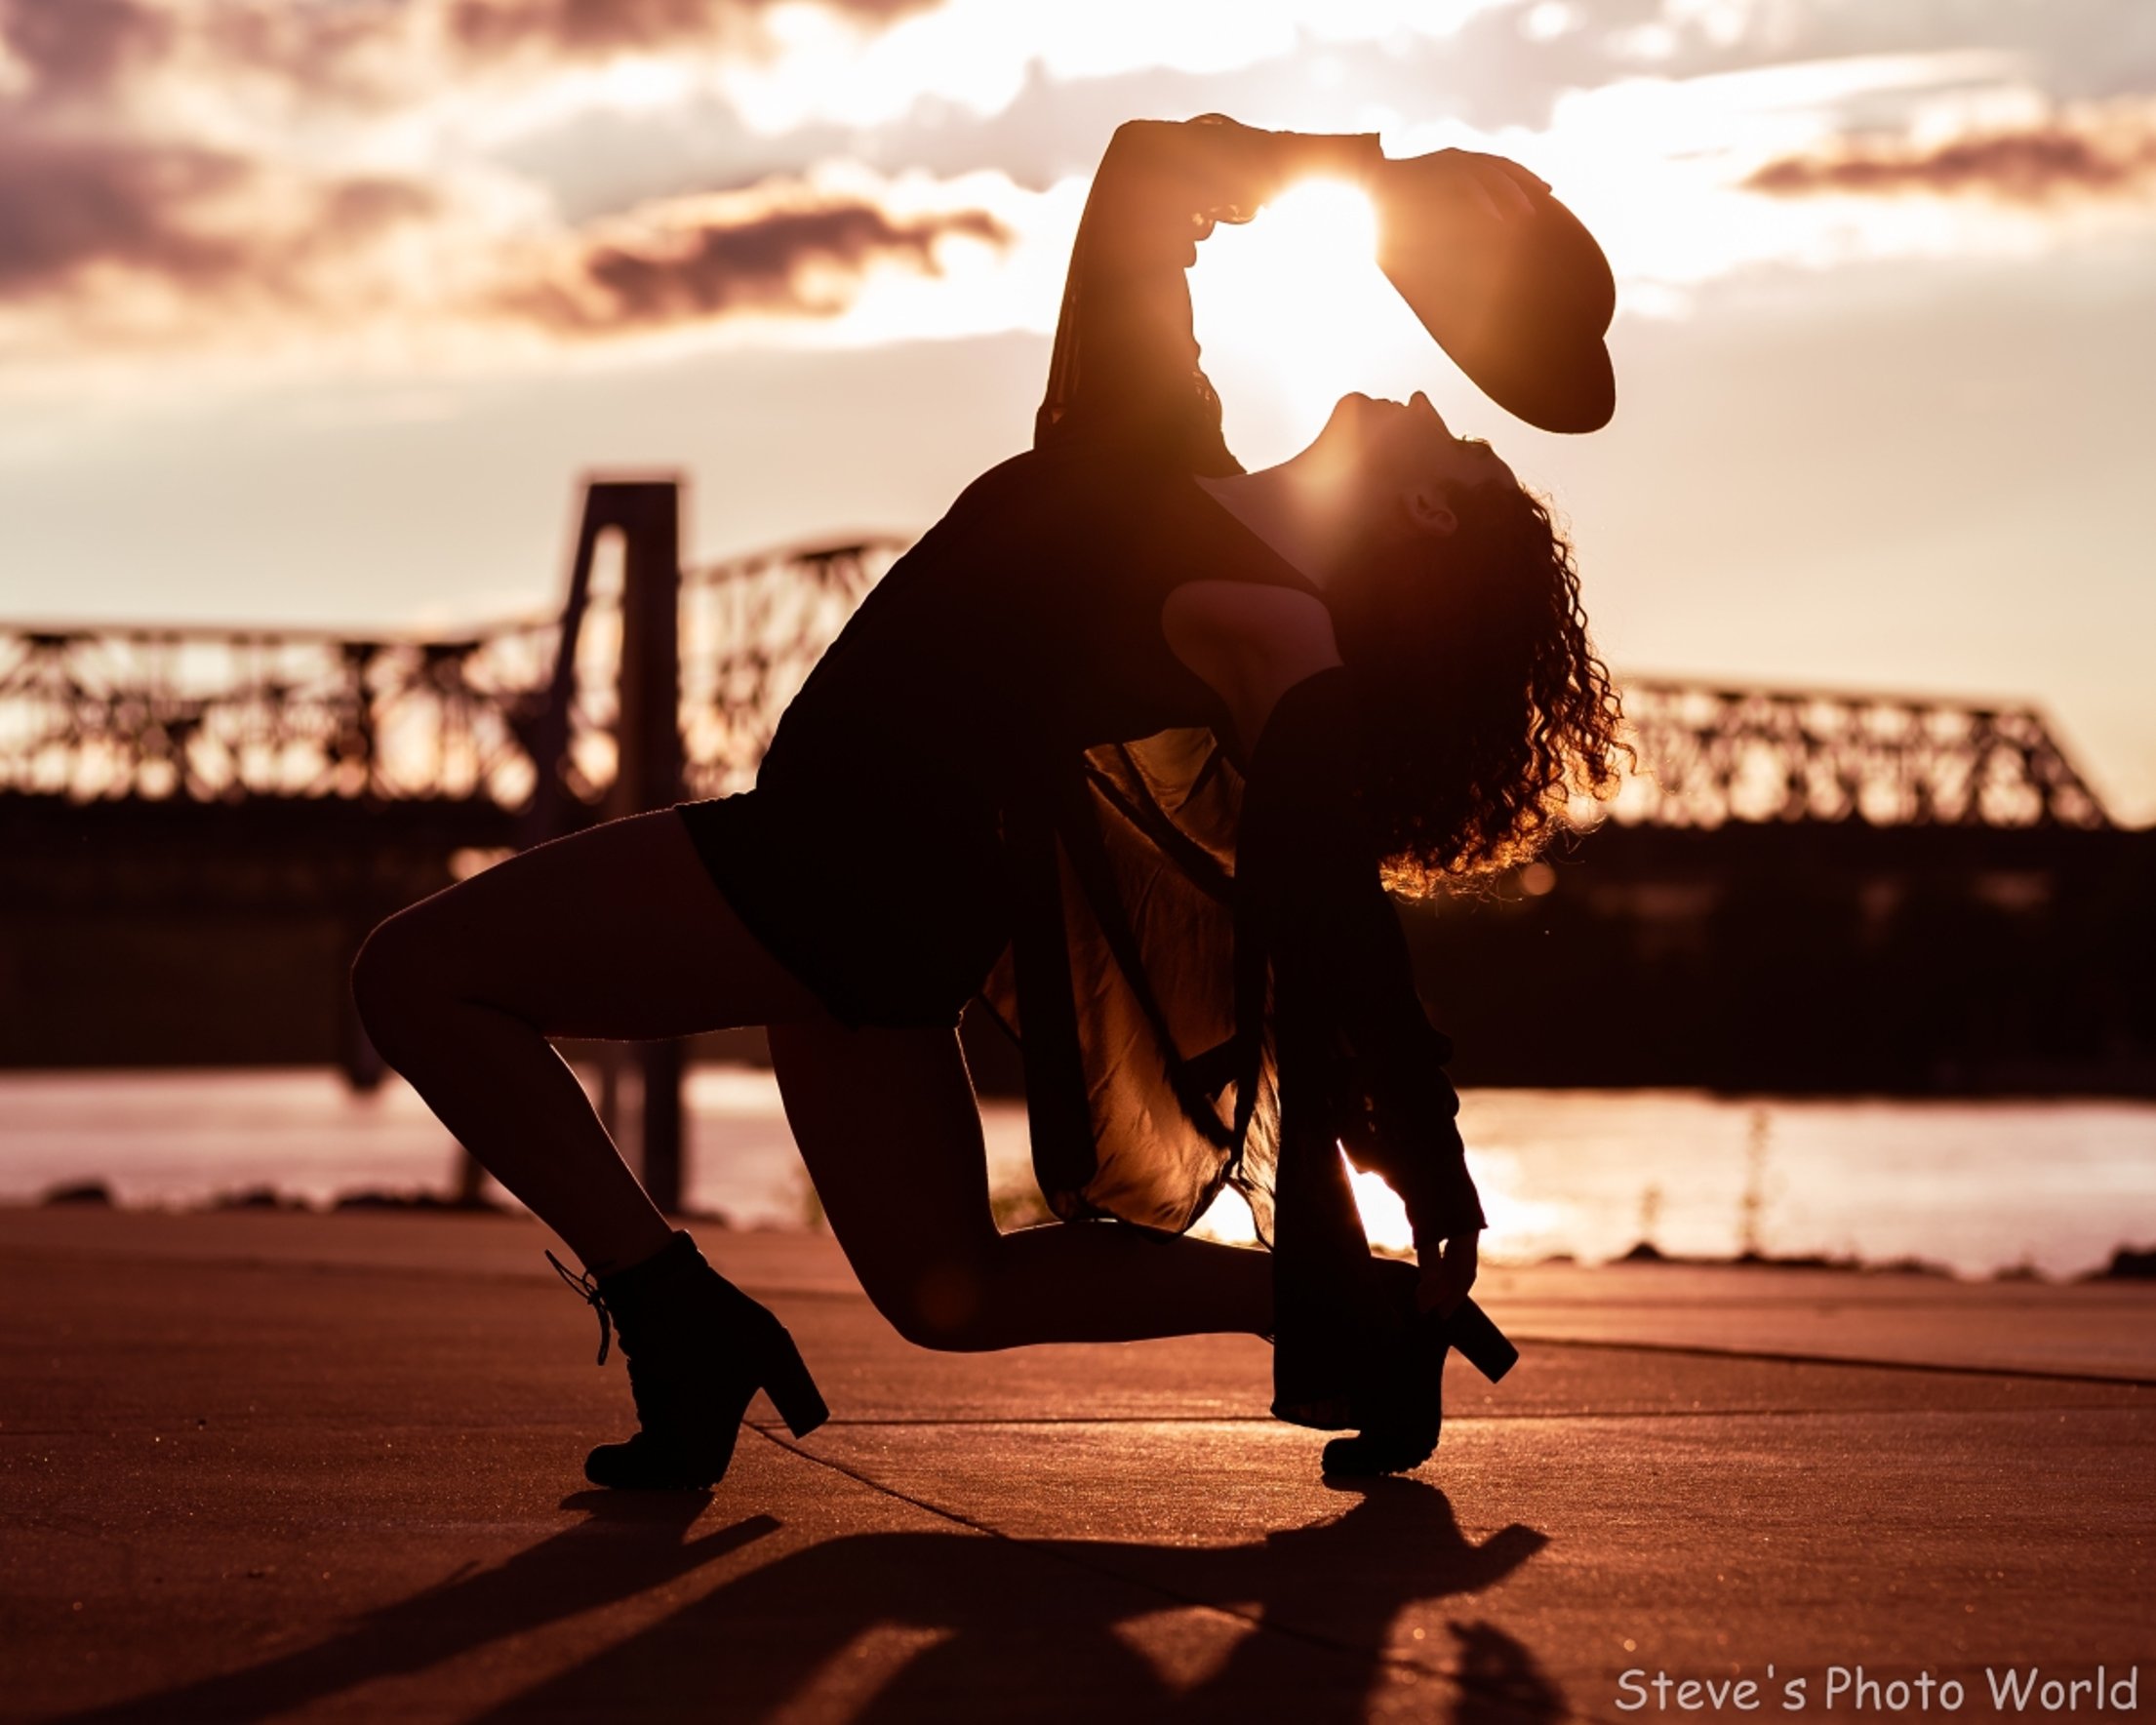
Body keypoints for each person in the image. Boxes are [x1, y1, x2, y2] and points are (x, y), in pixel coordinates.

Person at [349, 114, 1627, 1493]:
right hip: (887, 912)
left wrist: (1427, 1155)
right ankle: (1345, 1310)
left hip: (835, 873)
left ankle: (672, 1313)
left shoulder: (1272, 626)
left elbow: (1329, 910)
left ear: (1427, 519)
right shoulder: (1150, 437)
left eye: (1457, 450)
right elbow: (1148, 169)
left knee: (418, 979)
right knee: (947, 1291)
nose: (1430, 404)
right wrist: (1370, 172)